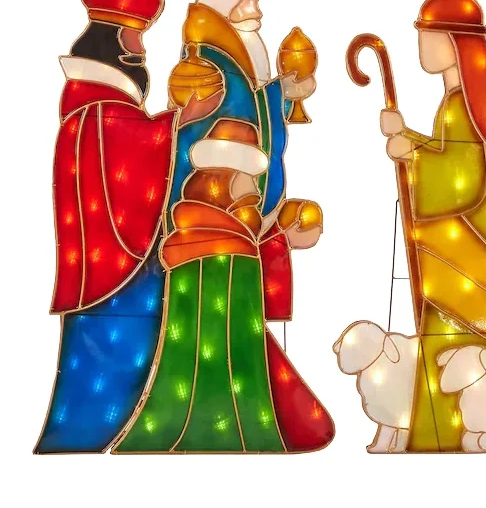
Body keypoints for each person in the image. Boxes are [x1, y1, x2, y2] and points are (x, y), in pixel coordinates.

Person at [36, 0, 217, 453]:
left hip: (115, 266)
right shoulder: (97, 108)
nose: (143, 49)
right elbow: (132, 150)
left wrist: (172, 122)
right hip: (115, 273)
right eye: (136, 37)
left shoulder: (98, 106)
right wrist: (180, 120)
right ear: (114, 42)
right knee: (113, 364)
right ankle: (93, 434)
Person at [115, 119, 333, 452]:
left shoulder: (220, 239)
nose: (256, 190)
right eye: (249, 178)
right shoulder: (221, 245)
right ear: (225, 179)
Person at [379, 0, 486, 451]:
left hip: (466, 262)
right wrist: (409, 139)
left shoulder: (464, 105)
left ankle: (451, 432)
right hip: (459, 260)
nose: (422, 44)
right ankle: (452, 431)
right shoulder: (461, 103)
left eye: (430, 36)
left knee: (455, 349)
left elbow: (464, 181)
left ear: (456, 43)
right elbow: (454, 157)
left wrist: (411, 154)